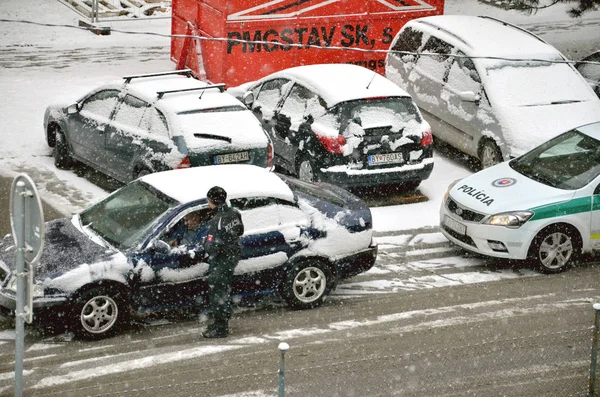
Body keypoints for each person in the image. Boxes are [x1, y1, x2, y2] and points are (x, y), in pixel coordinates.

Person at [202, 186, 244, 338]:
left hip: (223, 258)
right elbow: (240, 230)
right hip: (233, 254)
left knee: (218, 290)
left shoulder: (217, 220)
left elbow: (211, 246)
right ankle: (222, 320)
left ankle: (221, 327)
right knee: (223, 287)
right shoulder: (234, 212)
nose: (207, 203)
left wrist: (205, 244)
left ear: (212, 201)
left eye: (208, 200)